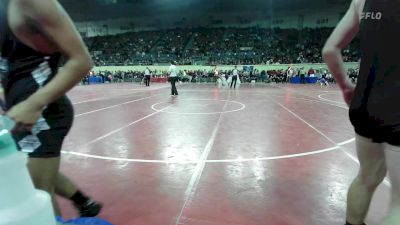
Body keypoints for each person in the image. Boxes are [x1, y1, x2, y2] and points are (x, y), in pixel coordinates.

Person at [0, 0, 101, 218]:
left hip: (41, 116)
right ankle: (84, 202)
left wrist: (33, 104)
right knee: (36, 175)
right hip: (20, 116)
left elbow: (82, 61)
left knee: (37, 196)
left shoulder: (29, 3)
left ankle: (79, 205)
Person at [323, 0, 400, 224]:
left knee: (366, 177)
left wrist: (346, 87)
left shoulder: (361, 1)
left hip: (365, 105)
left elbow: (330, 49)